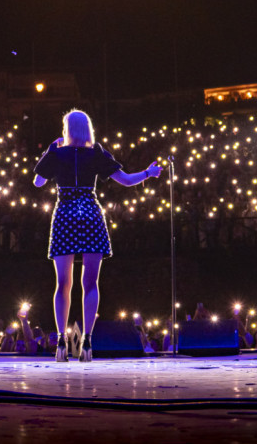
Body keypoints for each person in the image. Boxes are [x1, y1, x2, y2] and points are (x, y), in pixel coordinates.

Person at [33, 109, 162, 362]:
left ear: (67, 129)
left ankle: (61, 342)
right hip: (91, 214)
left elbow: (38, 182)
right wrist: (148, 173)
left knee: (63, 283)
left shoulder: (57, 153)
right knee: (90, 283)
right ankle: (88, 343)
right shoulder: (97, 152)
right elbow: (125, 180)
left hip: (66, 215)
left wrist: (49, 152)